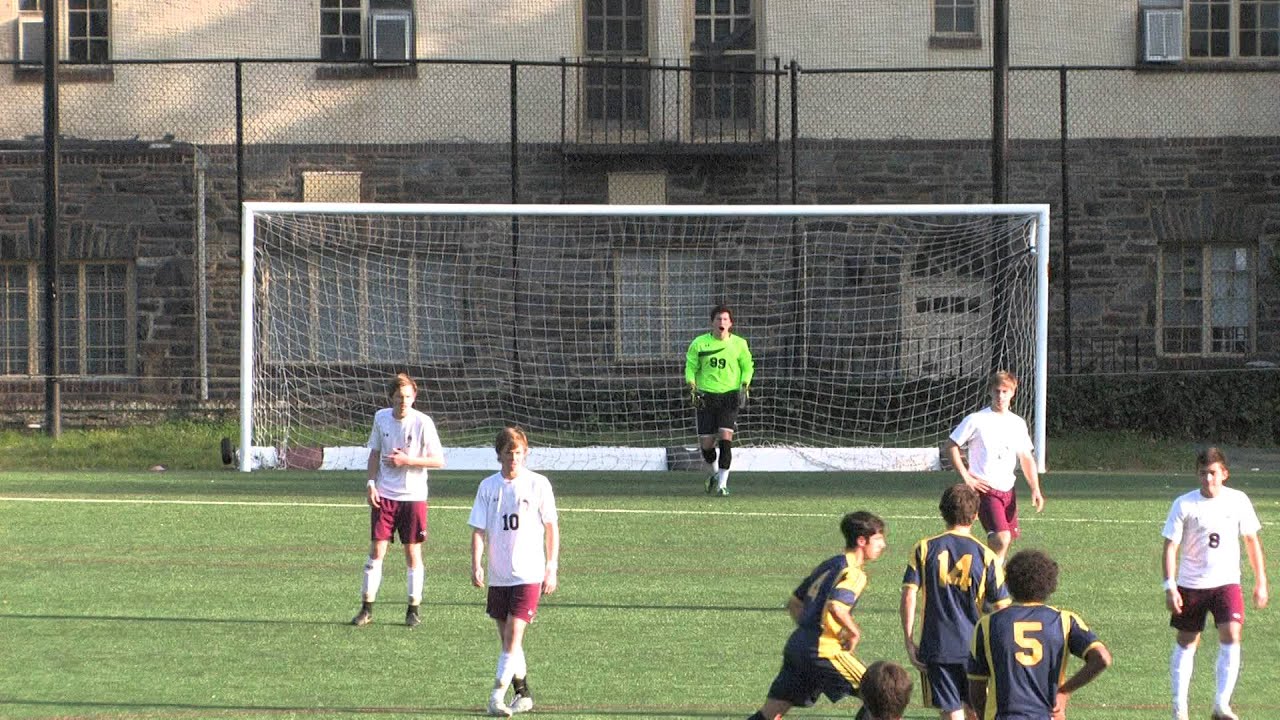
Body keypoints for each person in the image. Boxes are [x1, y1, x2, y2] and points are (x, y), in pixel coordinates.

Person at [746, 511, 887, 720]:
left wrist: (809, 628)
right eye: (878, 539)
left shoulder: (830, 564)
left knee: (771, 713)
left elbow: (794, 602)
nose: (883, 544)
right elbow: (837, 606)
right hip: (824, 650)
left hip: (798, 646)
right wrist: (854, 632)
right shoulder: (854, 573)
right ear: (861, 541)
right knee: (880, 695)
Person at [1162, 446, 1269, 720]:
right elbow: (1170, 546)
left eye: (1212, 473)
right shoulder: (1184, 504)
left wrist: (1261, 581)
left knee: (1232, 634)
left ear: (1224, 473)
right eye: (1203, 474)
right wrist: (1170, 586)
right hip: (1191, 584)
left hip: (1226, 583)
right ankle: (1179, 708)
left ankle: (1221, 705)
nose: (1208, 479)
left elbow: (1251, 541)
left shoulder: (1239, 501)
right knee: (1187, 641)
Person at [469, 426, 561, 717]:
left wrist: (551, 566)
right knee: (508, 642)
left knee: (512, 637)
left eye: (518, 453)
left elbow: (551, 528)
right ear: (498, 456)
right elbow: (478, 530)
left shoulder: (538, 484)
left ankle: (495, 698)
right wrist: (476, 564)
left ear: (526, 453)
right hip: (499, 575)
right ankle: (523, 694)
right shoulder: (488, 487)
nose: (514, 459)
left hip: (529, 574)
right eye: (508, 454)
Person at [901, 483, 1010, 720]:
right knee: (979, 711)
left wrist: (909, 641)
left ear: (942, 512)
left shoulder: (924, 548)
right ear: (976, 515)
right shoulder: (987, 556)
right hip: (975, 649)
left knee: (951, 714)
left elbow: (909, 595)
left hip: (936, 646)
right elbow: (1003, 609)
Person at [967, 549, 1112, 720]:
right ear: (1049, 584)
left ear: (1009, 582)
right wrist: (1064, 692)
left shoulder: (988, 624)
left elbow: (977, 686)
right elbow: (1102, 658)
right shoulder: (1064, 621)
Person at [350, 372, 445, 628]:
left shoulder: (423, 423)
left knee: (412, 552)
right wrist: (371, 484)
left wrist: (408, 461)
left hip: (413, 497)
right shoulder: (381, 418)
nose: (402, 401)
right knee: (376, 550)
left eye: (407, 397)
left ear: (414, 398)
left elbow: (438, 461)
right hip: (385, 495)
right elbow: (374, 454)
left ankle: (413, 609)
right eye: (398, 397)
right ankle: (366, 608)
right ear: (390, 397)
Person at [946, 369, 1044, 565]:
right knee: (1002, 537)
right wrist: (967, 478)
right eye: (997, 391)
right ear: (990, 391)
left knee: (1004, 541)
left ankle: (988, 574)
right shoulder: (976, 420)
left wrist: (1035, 488)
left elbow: (1025, 457)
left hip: (1008, 489)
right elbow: (951, 445)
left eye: (1005, 392)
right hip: (985, 489)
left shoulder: (1017, 423)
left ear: (1013, 393)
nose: (1000, 396)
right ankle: (989, 577)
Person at [684, 304, 754, 496]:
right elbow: (690, 367)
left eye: (725, 319)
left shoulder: (739, 344)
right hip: (706, 395)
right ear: (712, 322)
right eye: (718, 319)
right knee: (707, 446)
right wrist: (692, 385)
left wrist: (744, 384)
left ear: (730, 323)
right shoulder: (699, 344)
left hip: (730, 396)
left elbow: (748, 367)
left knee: (725, 437)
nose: (721, 322)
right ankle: (714, 475)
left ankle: (722, 485)